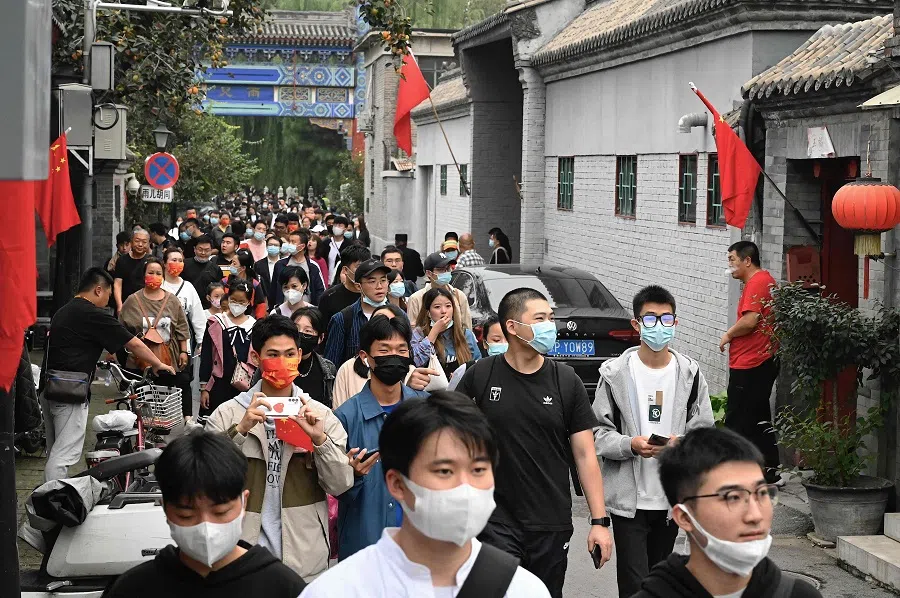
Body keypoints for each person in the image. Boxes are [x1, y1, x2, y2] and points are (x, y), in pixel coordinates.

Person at [303, 391, 551, 598]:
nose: (465, 487)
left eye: (478, 469)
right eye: (444, 471)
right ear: (398, 484)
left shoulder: (522, 590)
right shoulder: (339, 590)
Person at [455, 288, 613, 597]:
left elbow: (585, 455)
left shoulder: (566, 381)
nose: (550, 326)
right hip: (494, 519)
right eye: (539, 318)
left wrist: (599, 521)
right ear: (512, 327)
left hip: (550, 521)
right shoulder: (481, 375)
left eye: (551, 318)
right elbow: (451, 438)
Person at [205, 315, 354, 581]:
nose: (283, 363)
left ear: (300, 354)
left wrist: (320, 442)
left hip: (303, 556)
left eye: (289, 354)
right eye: (273, 354)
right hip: (241, 554)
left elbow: (341, 484)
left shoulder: (319, 415)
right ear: (256, 356)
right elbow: (206, 482)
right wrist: (240, 431)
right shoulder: (227, 415)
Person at [593, 285, 715, 598]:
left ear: (675, 322)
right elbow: (597, 434)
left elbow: (705, 436)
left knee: (669, 584)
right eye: (650, 319)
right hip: (628, 503)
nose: (658, 326)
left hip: (672, 500)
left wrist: (680, 445)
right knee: (634, 587)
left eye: (665, 318)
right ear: (636, 324)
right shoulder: (614, 374)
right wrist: (629, 444)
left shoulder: (690, 374)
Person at [100, 432, 307, 598]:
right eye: (186, 515)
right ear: (165, 509)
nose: (206, 528)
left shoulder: (284, 588)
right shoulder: (134, 588)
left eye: (220, 512)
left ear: (244, 502)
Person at [632, 427, 821, 598]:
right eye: (733, 497)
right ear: (684, 517)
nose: (755, 516)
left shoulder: (799, 594)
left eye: (762, 493)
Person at [41, 268, 174, 481]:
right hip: (69, 393)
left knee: (55, 451)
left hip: (50, 388)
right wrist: (157, 363)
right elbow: (133, 342)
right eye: (108, 295)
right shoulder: (91, 313)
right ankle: (52, 502)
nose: (108, 301)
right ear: (98, 290)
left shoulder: (64, 311)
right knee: (64, 455)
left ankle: (51, 496)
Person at [332, 315, 431, 560]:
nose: (394, 357)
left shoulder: (427, 409)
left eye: (401, 350)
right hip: (365, 547)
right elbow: (331, 488)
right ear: (365, 357)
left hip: (421, 543)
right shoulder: (345, 417)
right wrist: (350, 474)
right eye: (384, 350)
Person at [719, 241, 781, 485]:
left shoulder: (757, 282)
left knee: (737, 417)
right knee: (758, 417)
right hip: (758, 360)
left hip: (752, 362)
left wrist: (728, 334)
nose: (730, 265)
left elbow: (750, 321)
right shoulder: (760, 281)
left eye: (732, 260)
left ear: (747, 260)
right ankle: (769, 471)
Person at [119, 258, 194, 418]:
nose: (155, 276)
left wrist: (183, 351)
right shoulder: (132, 301)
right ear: (143, 275)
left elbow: (181, 326)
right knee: (141, 401)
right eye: (150, 273)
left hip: (168, 357)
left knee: (165, 399)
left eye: (158, 273)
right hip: (138, 361)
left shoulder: (172, 300)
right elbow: (121, 329)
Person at [332, 305, 436, 409]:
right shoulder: (348, 413)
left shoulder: (423, 404)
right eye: (384, 350)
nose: (393, 355)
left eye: (401, 350)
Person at [199, 279, 257, 416]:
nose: (237, 305)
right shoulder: (216, 322)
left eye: (242, 302)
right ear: (228, 298)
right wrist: (204, 389)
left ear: (249, 302)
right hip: (218, 384)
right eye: (234, 300)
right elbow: (207, 356)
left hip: (244, 385)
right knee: (215, 427)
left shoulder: (255, 327)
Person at [323, 258, 392, 367]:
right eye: (372, 281)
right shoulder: (342, 319)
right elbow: (331, 366)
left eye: (383, 280)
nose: (379, 286)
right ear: (359, 286)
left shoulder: (398, 315)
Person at [411, 287, 480, 378]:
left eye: (448, 306)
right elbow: (415, 361)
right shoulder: (419, 333)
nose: (444, 311)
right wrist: (434, 332)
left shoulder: (465, 334)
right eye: (437, 307)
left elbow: (478, 364)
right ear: (428, 312)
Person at [405, 252, 472, 329]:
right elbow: (413, 333)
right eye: (441, 270)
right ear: (429, 273)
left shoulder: (459, 295)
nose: (446, 272)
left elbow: (467, 328)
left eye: (448, 269)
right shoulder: (416, 299)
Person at [290, 307, 337, 408]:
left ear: (320, 338)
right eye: (296, 329)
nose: (300, 334)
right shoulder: (273, 363)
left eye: (308, 331)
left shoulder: (328, 369)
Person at [271, 229, 325, 306]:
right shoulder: (280, 264)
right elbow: (274, 289)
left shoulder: (313, 266)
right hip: (284, 309)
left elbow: (320, 290)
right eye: (289, 241)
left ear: (302, 246)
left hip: (307, 310)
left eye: (293, 242)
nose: (289, 244)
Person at [317, 245, 370, 324]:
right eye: (359, 267)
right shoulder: (329, 297)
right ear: (345, 270)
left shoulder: (373, 294)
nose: (363, 271)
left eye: (366, 267)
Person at [113, 228, 152, 311]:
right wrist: (119, 305)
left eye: (144, 242)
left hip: (147, 305)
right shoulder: (122, 260)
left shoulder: (152, 261)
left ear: (148, 244)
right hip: (126, 304)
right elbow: (117, 284)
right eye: (137, 241)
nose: (140, 244)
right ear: (131, 242)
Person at [182, 234, 222, 309]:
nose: (203, 253)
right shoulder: (184, 264)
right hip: (186, 305)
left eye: (207, 250)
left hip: (206, 307)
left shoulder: (216, 269)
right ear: (194, 249)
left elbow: (217, 290)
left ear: (211, 251)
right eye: (200, 249)